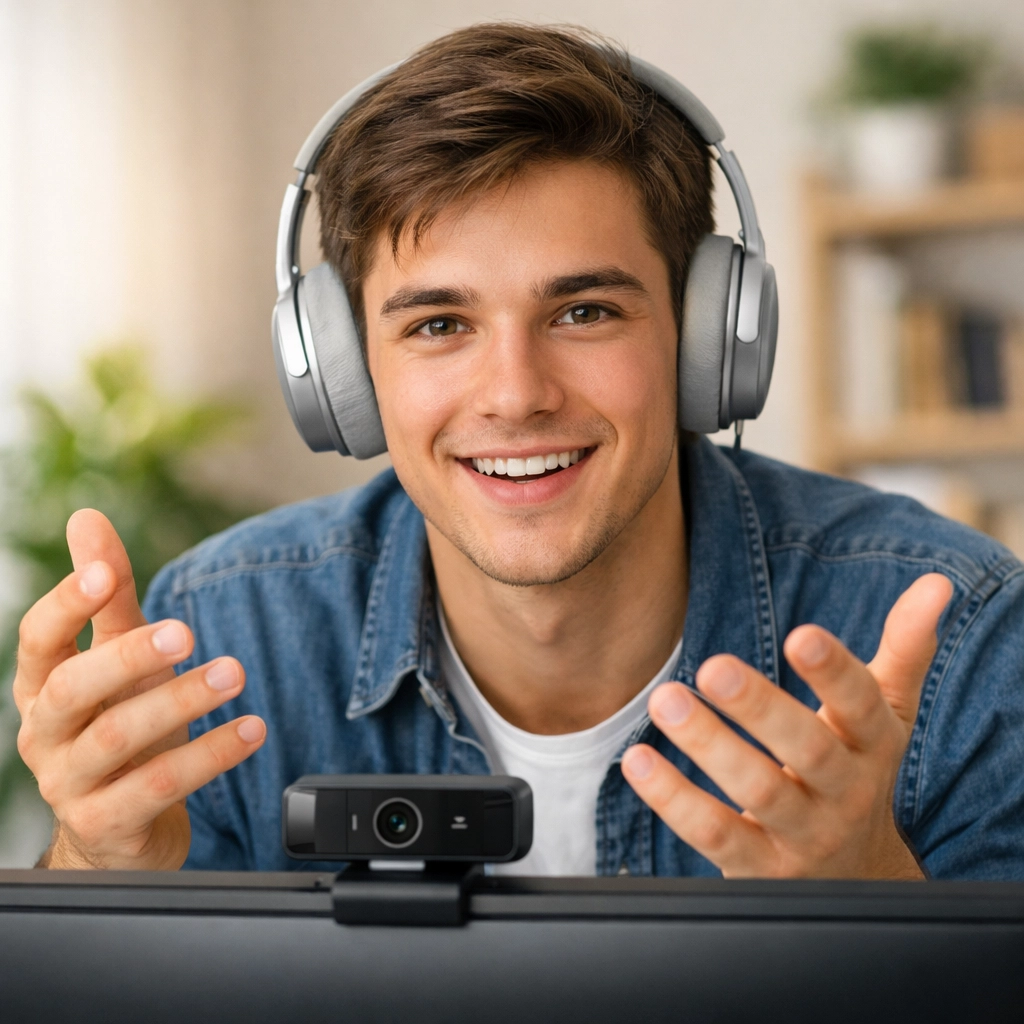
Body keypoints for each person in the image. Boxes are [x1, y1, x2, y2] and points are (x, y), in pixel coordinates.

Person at [13, 24, 1024, 878]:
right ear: (344, 375)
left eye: (584, 311)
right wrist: (98, 872)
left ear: (707, 341)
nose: (515, 394)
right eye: (438, 325)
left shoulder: (956, 642)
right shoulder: (225, 639)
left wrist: (882, 902)